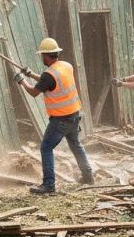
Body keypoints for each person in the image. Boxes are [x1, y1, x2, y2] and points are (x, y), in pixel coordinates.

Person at [14, 37, 95, 195]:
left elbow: (34, 92)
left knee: (46, 147)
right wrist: (31, 74)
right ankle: (88, 177)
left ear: (46, 55)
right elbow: (49, 82)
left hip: (61, 119)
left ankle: (49, 185)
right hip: (74, 115)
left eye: (42, 55)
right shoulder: (66, 66)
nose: (41, 57)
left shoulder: (48, 75)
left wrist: (21, 81)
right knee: (76, 146)